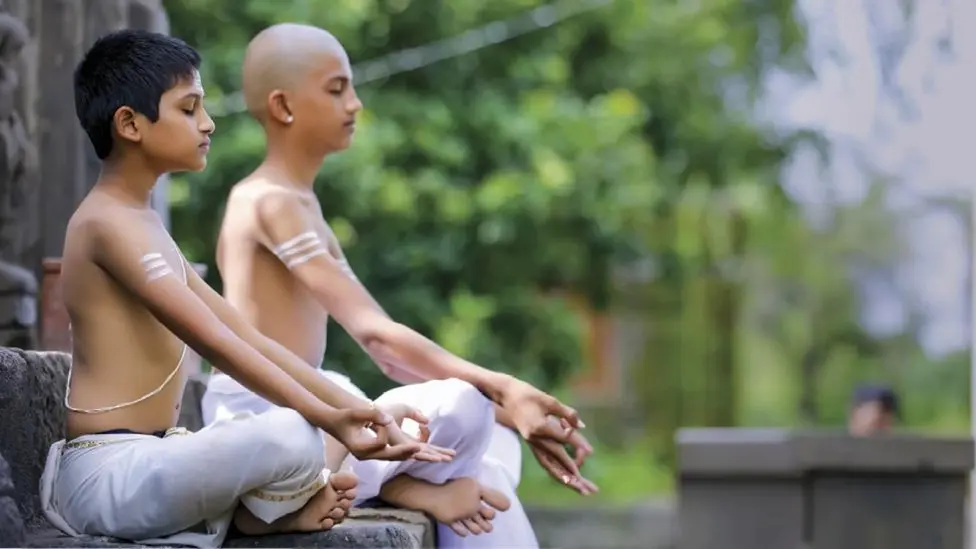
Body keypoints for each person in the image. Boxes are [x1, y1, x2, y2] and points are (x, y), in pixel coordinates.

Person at [38, 29, 453, 548]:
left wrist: (357, 410)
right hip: (106, 476)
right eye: (189, 110)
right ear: (130, 124)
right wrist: (330, 418)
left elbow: (249, 337)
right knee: (294, 433)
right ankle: (254, 514)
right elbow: (217, 343)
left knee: (303, 425)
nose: (208, 123)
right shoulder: (105, 224)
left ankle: (252, 516)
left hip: (159, 459)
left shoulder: (144, 226)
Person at [200, 23, 598, 548]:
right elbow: (380, 341)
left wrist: (516, 413)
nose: (356, 104)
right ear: (284, 106)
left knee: (491, 430)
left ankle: (411, 484)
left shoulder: (295, 200)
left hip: (320, 406)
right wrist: (502, 387)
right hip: (274, 423)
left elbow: (389, 355)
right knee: (467, 409)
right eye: (337, 88)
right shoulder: (269, 200)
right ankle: (411, 487)